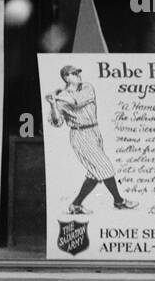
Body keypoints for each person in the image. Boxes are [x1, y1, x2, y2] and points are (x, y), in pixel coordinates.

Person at [45, 65, 137, 213]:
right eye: (74, 73)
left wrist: (57, 96)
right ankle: (119, 201)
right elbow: (57, 123)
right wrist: (53, 104)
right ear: (66, 77)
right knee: (105, 167)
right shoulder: (60, 98)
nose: (78, 75)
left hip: (94, 131)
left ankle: (76, 205)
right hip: (80, 134)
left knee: (95, 172)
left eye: (77, 72)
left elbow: (77, 101)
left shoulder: (86, 87)